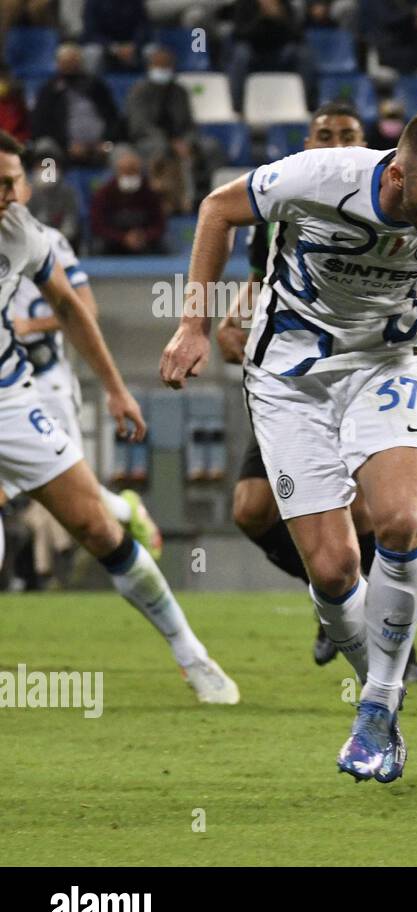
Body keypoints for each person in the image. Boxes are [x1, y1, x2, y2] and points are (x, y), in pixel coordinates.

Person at [161, 109, 417, 783]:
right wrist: (193, 324)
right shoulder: (317, 178)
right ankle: (380, 691)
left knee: (399, 521)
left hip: (384, 366)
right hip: (288, 378)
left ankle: (375, 709)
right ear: (396, 176)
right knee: (334, 572)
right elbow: (217, 209)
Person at [0, 130, 238, 704]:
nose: (7, 196)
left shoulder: (21, 235)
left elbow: (69, 306)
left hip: (10, 397)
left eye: (12, 183)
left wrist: (114, 390)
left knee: (96, 529)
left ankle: (192, 655)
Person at [212, 103, 417, 678]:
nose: (334, 142)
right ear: (307, 140)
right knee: (251, 510)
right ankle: (338, 604)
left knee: (366, 516)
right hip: (287, 378)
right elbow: (258, 286)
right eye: (324, 134)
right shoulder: (285, 204)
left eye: (346, 135)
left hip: (359, 376)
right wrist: (229, 328)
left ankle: (387, 636)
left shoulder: (389, 206)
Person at [2, 162, 164, 564]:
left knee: (81, 492)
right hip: (7, 383)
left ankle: (128, 510)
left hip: (46, 378)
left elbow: (83, 309)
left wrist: (30, 325)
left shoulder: (47, 241)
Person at [31, 44, 120, 168]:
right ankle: (46, 184)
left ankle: (122, 186)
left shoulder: (96, 86)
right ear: (58, 64)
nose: (70, 66)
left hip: (102, 146)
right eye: (66, 62)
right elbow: (41, 126)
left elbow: (113, 118)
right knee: (45, 150)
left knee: (124, 155)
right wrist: (67, 145)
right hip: (63, 148)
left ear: (81, 62)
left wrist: (107, 142)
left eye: (73, 61)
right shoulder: (49, 91)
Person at [89, 146, 165, 254]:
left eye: (133, 171)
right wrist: (122, 238)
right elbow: (97, 226)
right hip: (113, 242)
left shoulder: (149, 192)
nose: (130, 175)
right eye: (126, 171)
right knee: (99, 246)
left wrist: (144, 236)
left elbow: (159, 224)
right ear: (117, 172)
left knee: (160, 247)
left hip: (143, 241)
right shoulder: (104, 193)